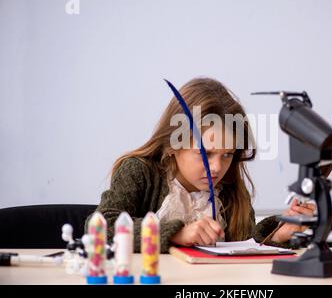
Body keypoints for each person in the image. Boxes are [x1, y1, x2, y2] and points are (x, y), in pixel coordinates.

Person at [86, 77, 310, 253]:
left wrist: (280, 233)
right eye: (206, 153)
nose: (216, 168)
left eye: (227, 154)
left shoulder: (230, 188)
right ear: (173, 144)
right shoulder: (139, 172)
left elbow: (244, 246)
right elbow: (101, 226)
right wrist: (176, 234)